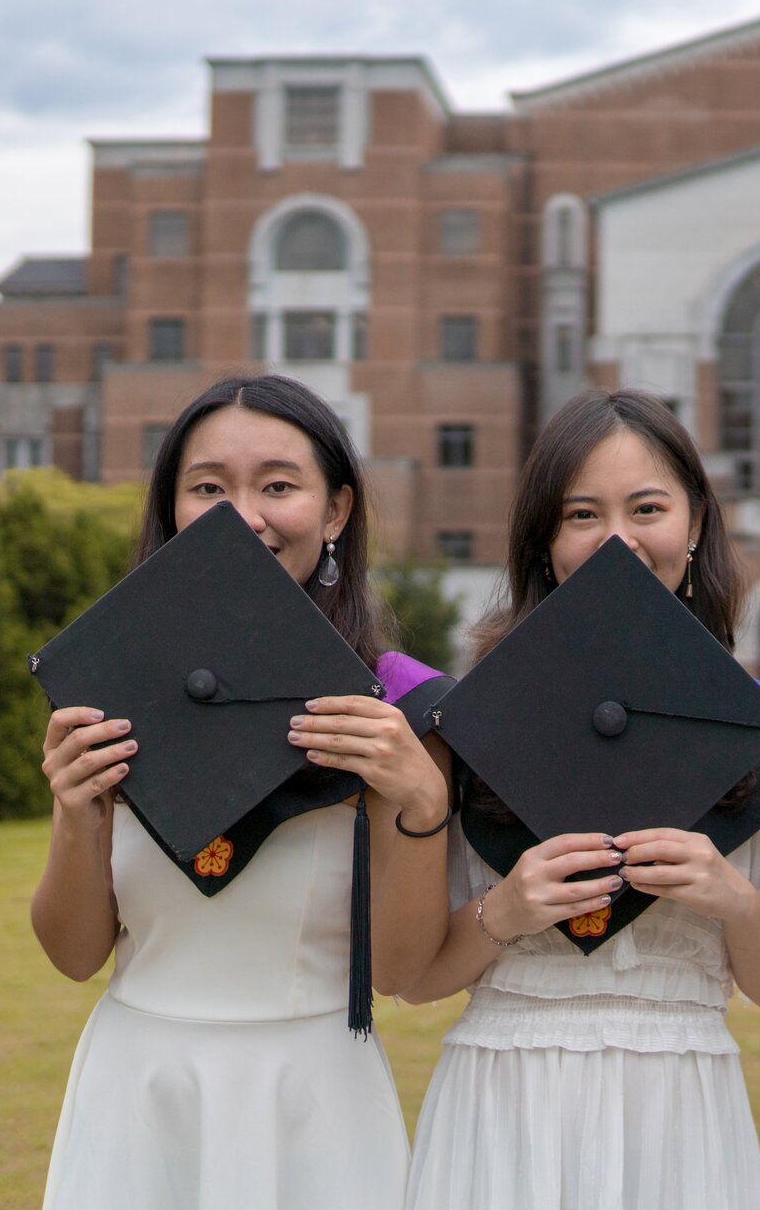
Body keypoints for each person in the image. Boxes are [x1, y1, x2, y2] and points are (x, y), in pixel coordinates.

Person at [33, 374, 453, 1210]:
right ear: (172, 509)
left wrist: (421, 804)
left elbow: (402, 973)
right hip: (139, 1092)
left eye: (279, 486)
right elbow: (76, 956)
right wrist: (76, 816)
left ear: (335, 512)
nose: (244, 516)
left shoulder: (393, 708)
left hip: (314, 1102)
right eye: (209, 489)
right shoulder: (118, 690)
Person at [401, 389, 760, 1210]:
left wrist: (731, 898)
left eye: (648, 508)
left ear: (695, 525)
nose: (618, 538)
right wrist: (506, 911)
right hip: (506, 1096)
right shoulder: (471, 722)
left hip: (679, 1107)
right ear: (545, 542)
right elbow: (414, 981)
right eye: (582, 514)